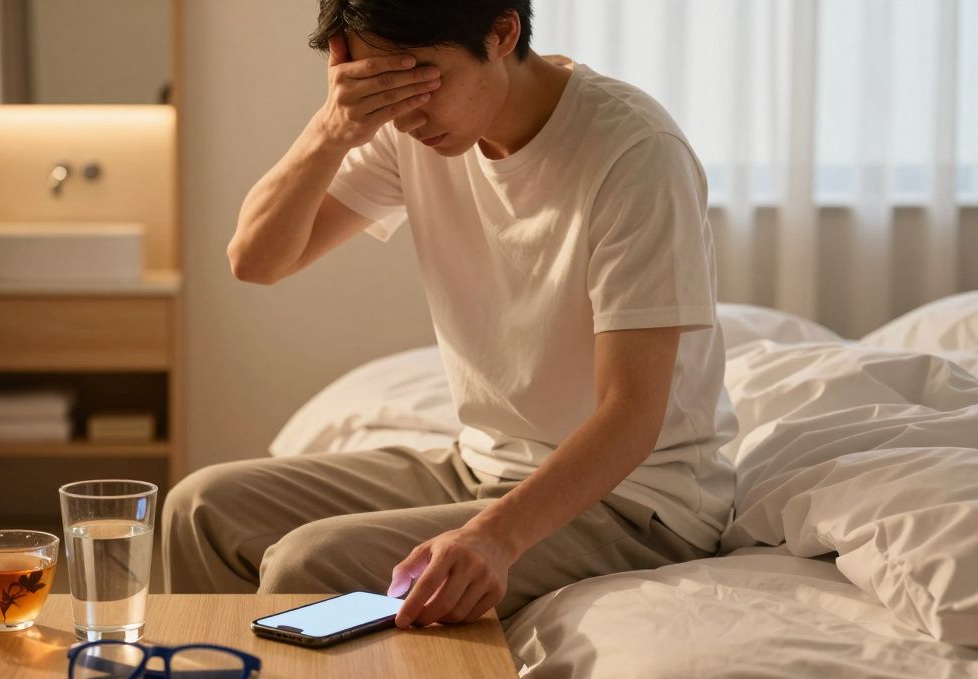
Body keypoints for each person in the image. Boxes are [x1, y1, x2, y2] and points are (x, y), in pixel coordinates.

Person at [162, 0, 737, 631]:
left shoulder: (635, 152)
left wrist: (494, 537)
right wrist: (333, 128)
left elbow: (631, 416)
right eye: (380, 86)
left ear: (501, 32)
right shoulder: (410, 132)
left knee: (310, 564)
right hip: (480, 466)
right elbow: (256, 259)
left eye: (421, 77)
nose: (406, 111)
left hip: (635, 501)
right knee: (201, 508)